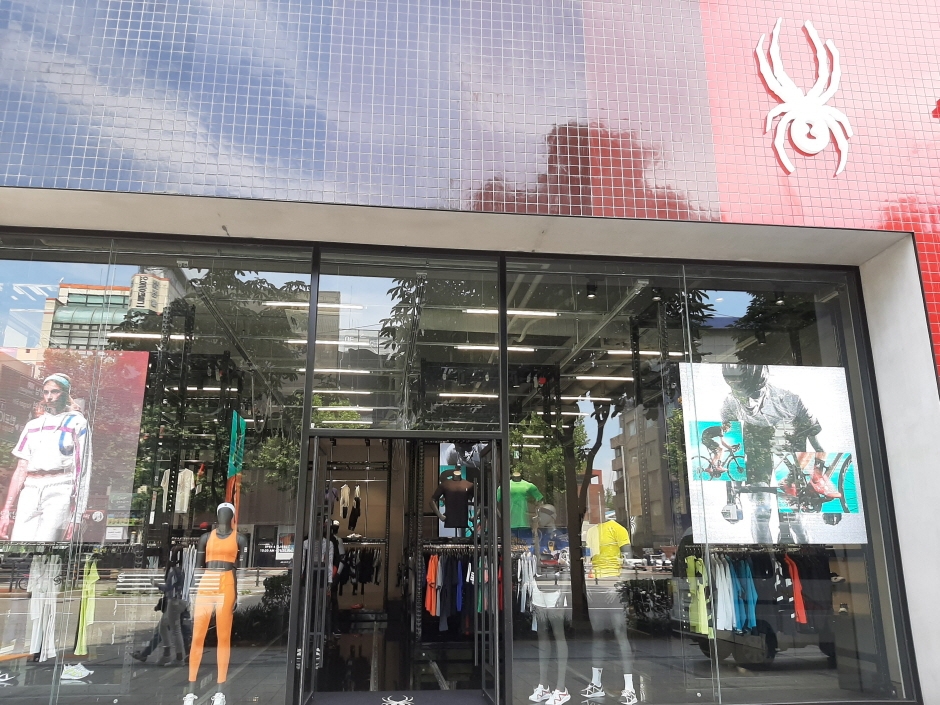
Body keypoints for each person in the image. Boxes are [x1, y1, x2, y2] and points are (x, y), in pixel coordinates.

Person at [719, 364, 838, 544]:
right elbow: (734, 452)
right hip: (757, 444)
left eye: (754, 395)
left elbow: (818, 448)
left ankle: (806, 547)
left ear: (764, 387)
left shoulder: (791, 401)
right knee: (760, 512)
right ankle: (762, 555)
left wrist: (830, 497)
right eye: (742, 396)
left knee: (794, 517)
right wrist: (732, 497)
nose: (750, 404)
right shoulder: (730, 403)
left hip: (788, 439)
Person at [0, 373, 91, 542]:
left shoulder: (77, 423)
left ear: (66, 393)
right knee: (18, 544)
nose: (49, 397)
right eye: (46, 392)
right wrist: (6, 510)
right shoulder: (33, 425)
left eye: (55, 391)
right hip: (30, 488)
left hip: (60, 486)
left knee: (46, 546)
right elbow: (21, 468)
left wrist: (77, 514)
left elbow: (82, 469)